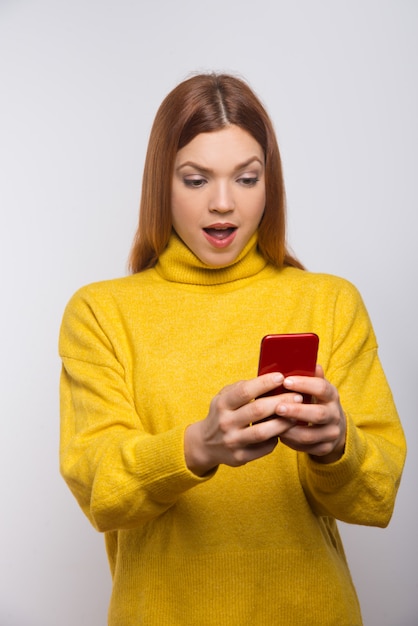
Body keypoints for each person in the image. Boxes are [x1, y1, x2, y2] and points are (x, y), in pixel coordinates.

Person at [59, 73, 406, 626]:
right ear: (160, 184)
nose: (223, 204)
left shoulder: (330, 302)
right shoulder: (101, 312)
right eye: (196, 180)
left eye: (246, 178)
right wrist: (195, 448)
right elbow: (100, 489)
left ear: (270, 185)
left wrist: (336, 446)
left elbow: (378, 496)